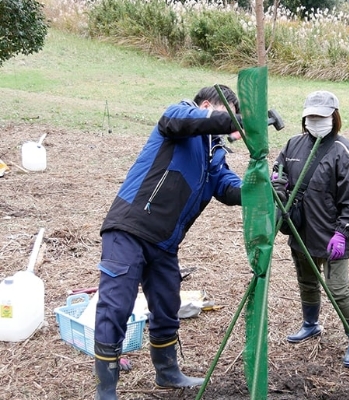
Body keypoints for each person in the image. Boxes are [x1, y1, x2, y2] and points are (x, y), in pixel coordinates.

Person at [93, 85, 244, 399]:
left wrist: (260, 188)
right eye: (227, 114)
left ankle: (167, 372)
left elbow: (227, 187)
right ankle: (106, 389)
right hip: (130, 228)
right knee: (116, 306)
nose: (231, 124)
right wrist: (234, 122)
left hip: (164, 242)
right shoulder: (179, 116)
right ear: (205, 105)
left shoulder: (213, 151)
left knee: (167, 306)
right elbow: (181, 120)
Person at [271, 90, 349, 368]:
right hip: (300, 226)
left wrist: (342, 232)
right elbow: (277, 174)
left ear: (333, 117)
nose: (315, 121)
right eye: (310, 116)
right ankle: (310, 323)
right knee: (306, 280)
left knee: (337, 289)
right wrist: (278, 186)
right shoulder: (292, 145)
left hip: (332, 233)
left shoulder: (345, 151)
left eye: (321, 116)